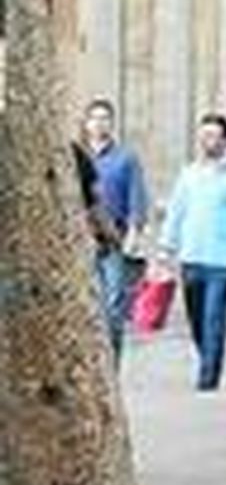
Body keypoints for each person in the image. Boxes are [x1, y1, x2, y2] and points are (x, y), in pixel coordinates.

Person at [160, 112, 226, 390]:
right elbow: (176, 211)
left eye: (214, 136)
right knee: (197, 318)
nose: (207, 141)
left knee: (214, 316)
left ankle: (208, 376)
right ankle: (208, 357)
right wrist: (167, 246)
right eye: (204, 135)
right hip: (190, 257)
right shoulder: (188, 173)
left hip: (221, 260)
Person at [80, 98, 149, 363]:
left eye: (105, 118)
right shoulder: (75, 156)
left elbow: (137, 198)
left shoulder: (126, 158)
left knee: (113, 303)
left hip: (113, 238)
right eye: (94, 118)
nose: (99, 123)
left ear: (112, 124)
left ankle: (112, 363)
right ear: (86, 124)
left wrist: (134, 233)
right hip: (81, 238)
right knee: (88, 302)